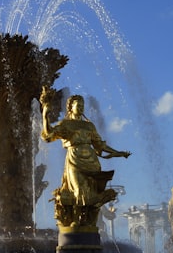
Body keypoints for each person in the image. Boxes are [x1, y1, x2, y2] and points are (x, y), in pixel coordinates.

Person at [40, 89, 131, 228]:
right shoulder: (65, 124)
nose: (81, 107)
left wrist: (119, 153)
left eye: (83, 105)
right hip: (74, 159)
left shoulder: (89, 125)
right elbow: (48, 135)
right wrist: (45, 113)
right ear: (71, 107)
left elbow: (100, 145)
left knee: (91, 192)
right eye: (78, 104)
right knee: (77, 189)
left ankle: (88, 221)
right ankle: (75, 220)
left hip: (91, 160)